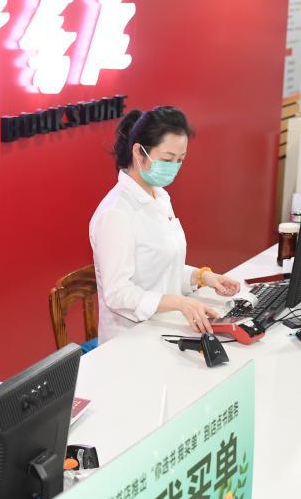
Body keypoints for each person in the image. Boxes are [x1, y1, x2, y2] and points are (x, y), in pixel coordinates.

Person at [89, 106, 240, 343]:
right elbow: (117, 294)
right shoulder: (115, 214)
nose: (174, 167)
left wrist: (203, 277)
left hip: (165, 327)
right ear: (139, 152)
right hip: (129, 342)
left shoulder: (159, 196)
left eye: (180, 160)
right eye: (168, 159)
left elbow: (161, 268)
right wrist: (179, 302)